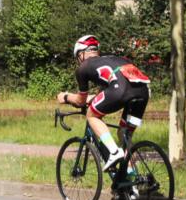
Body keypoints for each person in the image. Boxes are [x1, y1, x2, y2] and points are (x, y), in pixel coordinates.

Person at [57, 35, 150, 174]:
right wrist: (91, 99)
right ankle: (133, 179)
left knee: (92, 116)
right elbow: (105, 94)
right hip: (143, 93)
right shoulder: (113, 59)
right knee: (124, 134)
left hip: (120, 90)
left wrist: (66, 97)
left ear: (81, 54)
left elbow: (80, 101)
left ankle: (114, 152)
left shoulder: (83, 67)